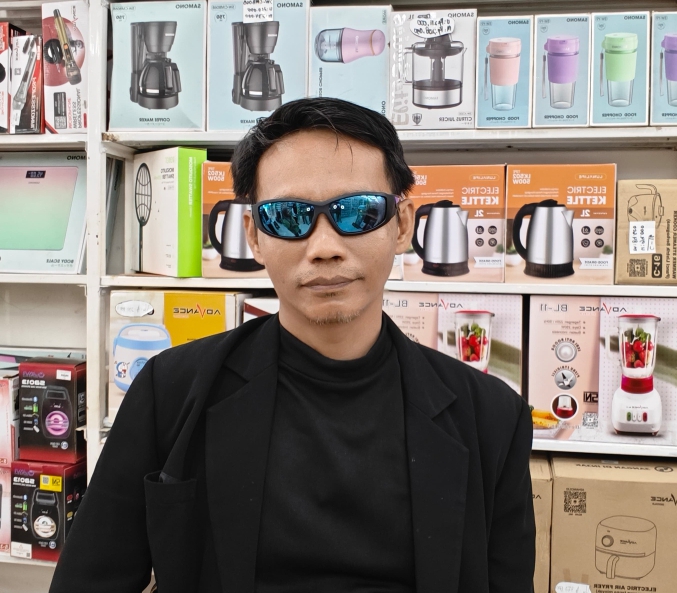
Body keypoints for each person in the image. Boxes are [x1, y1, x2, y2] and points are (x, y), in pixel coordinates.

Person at [50, 98, 535, 593]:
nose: (324, 247)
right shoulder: (170, 391)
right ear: (254, 236)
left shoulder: (492, 418)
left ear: (402, 225)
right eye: (288, 217)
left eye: (358, 213)